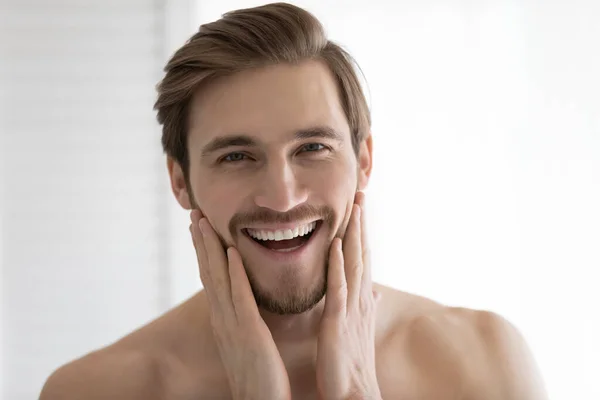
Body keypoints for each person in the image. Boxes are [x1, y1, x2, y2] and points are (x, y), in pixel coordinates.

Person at [39, 2, 548, 399]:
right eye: (237, 156)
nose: (282, 198)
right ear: (180, 181)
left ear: (364, 160)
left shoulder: (486, 362)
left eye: (312, 148)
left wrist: (355, 393)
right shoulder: (92, 391)